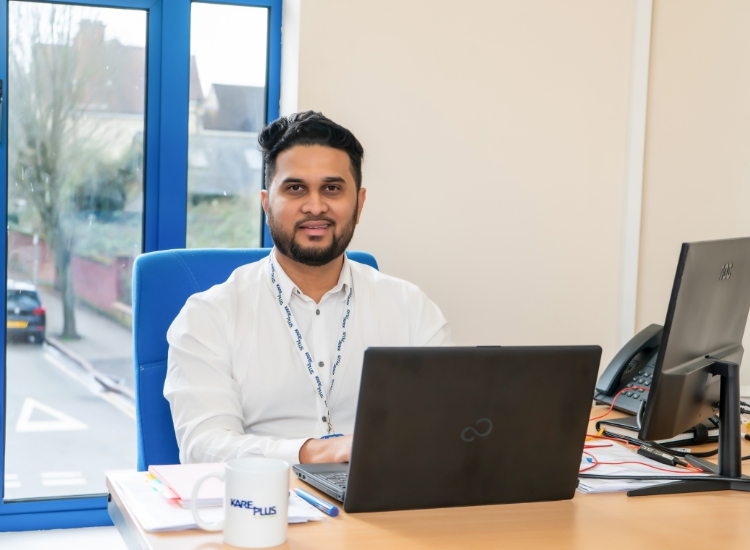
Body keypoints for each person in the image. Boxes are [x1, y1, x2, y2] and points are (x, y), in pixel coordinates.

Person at [165, 111, 452, 466]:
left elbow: (446, 428)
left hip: (380, 508)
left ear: (359, 204)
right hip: (261, 506)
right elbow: (203, 447)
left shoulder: (410, 308)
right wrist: (315, 451)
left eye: (332, 188)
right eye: (295, 188)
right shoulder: (210, 315)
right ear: (266, 203)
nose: (315, 206)